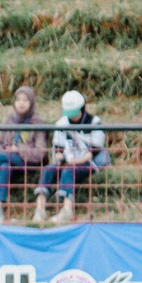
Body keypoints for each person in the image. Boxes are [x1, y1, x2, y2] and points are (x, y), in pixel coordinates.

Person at [0, 86, 46, 225]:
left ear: (31, 102)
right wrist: (6, 149)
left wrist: (19, 150)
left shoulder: (37, 122)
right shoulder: (9, 120)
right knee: (4, 165)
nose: (21, 103)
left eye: (25, 100)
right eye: (18, 100)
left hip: (28, 162)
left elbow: (40, 153)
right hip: (9, 160)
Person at [33, 89, 104, 225]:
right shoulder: (62, 123)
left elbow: (94, 150)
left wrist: (75, 161)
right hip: (68, 159)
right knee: (48, 170)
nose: (72, 117)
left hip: (87, 160)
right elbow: (58, 148)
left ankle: (67, 210)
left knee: (69, 171)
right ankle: (40, 208)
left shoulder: (94, 122)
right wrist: (61, 159)